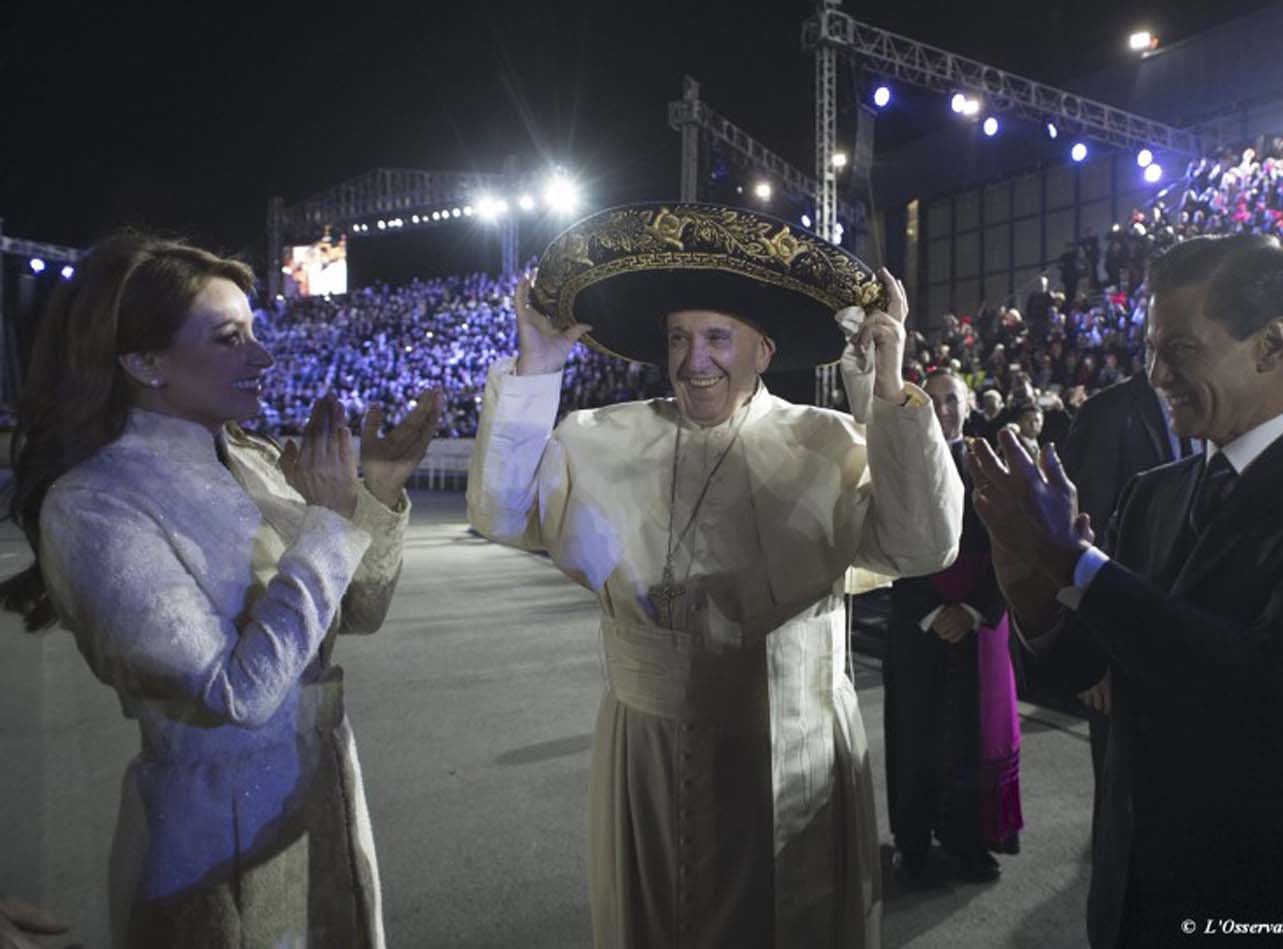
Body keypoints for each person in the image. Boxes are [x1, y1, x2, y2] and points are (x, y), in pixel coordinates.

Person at [468, 202, 964, 947]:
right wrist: (538, 369)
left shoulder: (828, 443)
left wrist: (887, 394)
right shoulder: (600, 439)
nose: (693, 360)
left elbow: (925, 545)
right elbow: (502, 514)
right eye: (678, 338)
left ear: (763, 350)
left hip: (790, 751)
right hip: (646, 756)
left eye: (716, 338)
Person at [0, 232, 440, 948]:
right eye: (230, 339)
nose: (262, 358)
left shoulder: (253, 460)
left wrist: (378, 490)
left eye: (256, 334)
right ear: (144, 361)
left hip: (323, 797)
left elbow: (357, 612)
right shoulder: (93, 503)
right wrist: (326, 521)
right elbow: (239, 693)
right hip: (214, 836)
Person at [969, 234, 1283, 947]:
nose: (1154, 372)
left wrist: (1076, 563)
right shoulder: (1153, 494)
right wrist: (1032, 589)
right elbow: (1086, 667)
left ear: (1271, 344)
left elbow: (1281, 695)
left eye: (1180, 349)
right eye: (1149, 347)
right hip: (1135, 900)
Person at [883, 370, 1020, 888]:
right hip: (918, 628)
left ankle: (969, 842)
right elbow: (886, 544)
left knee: (969, 739)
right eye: (933, 400)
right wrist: (929, 612)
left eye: (951, 400)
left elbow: (1015, 550)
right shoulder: (897, 463)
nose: (942, 409)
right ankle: (912, 843)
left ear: (968, 405)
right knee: (913, 737)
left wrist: (975, 612)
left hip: (975, 628)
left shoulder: (996, 469)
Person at [1058, 370, 1187, 822]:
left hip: (1186, 639)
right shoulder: (1109, 412)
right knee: (1123, 808)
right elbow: (1075, 540)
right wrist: (1093, 653)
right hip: (1122, 641)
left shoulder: (1214, 406)